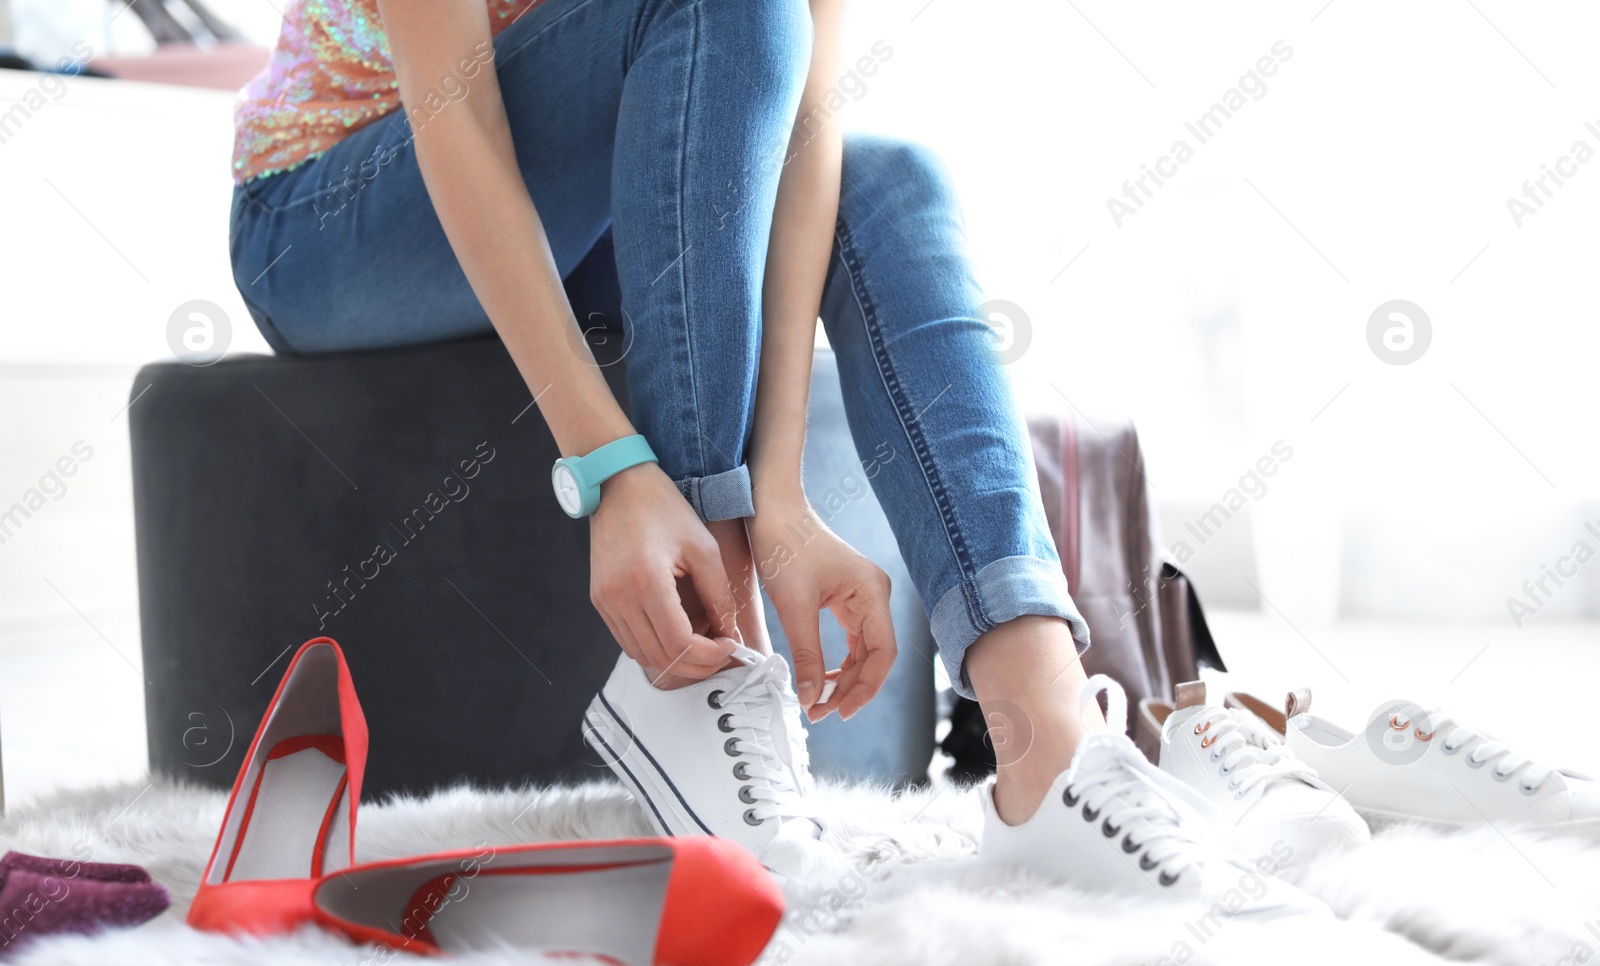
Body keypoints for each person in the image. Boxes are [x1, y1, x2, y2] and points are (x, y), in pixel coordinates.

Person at [229, 0, 1307, 907]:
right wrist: (613, 469)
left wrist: (781, 488)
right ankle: (706, 655)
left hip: (587, 205)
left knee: (893, 181)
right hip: (340, 208)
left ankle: (1045, 736)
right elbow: (452, 108)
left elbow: (800, 136)